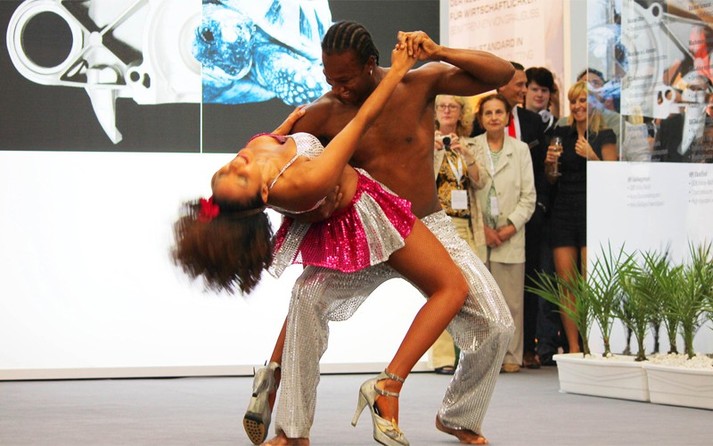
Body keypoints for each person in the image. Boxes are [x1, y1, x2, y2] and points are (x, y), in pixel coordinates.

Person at [173, 44, 475, 446]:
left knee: (306, 299)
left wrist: (286, 127)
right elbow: (362, 121)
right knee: (452, 287)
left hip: (338, 211)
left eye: (227, 168)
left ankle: (271, 379)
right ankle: (386, 387)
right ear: (263, 194)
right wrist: (399, 68)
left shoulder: (257, 155)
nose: (238, 161)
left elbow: (268, 145)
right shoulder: (307, 181)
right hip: (367, 216)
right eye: (239, 175)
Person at [257, 21, 515, 446]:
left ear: (371, 64)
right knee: (306, 296)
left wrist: (438, 50)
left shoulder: (418, 84)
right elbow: (274, 166)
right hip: (366, 231)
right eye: (329, 78)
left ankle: (459, 414)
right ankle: (291, 428)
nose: (337, 88)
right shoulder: (323, 112)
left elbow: (502, 72)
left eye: (345, 79)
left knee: (497, 323)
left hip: (428, 227)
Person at [472, 61, 549, 370]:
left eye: (499, 113)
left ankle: (511, 356)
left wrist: (508, 228)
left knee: (511, 301)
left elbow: (529, 196)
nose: (494, 117)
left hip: (511, 233)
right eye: (488, 113)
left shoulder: (520, 150)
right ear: (481, 118)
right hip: (480, 234)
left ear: (507, 117)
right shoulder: (469, 147)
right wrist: (485, 229)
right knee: (481, 302)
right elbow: (468, 195)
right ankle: (483, 358)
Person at [544, 80, 618, 354]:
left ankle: (592, 344)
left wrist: (592, 156)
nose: (577, 106)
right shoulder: (560, 133)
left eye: (583, 100)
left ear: (594, 104)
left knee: (590, 283)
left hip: (592, 210)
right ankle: (574, 348)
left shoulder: (605, 135)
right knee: (567, 285)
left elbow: (613, 177)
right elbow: (551, 179)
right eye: (574, 101)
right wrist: (549, 165)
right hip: (563, 210)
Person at [431, 95, 487, 375]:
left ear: (461, 112)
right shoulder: (426, 142)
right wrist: (433, 152)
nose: (447, 110)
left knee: (472, 290)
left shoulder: (471, 144)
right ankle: (442, 357)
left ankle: (471, 354)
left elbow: (481, 181)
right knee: (440, 289)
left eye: (452, 106)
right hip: (438, 224)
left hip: (466, 225)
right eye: (442, 106)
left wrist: (465, 154)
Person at [524, 66, 559, 133]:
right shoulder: (516, 122)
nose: (539, 95)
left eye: (544, 90)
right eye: (535, 89)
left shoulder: (557, 126)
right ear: (525, 90)